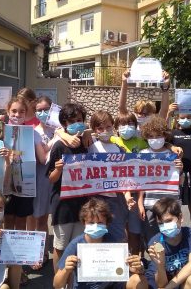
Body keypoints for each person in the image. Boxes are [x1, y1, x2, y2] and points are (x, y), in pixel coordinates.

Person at [54, 197, 148, 289]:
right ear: (84, 223)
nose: (95, 226)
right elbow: (57, 284)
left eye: (100, 223)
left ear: (107, 224)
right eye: (91, 223)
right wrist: (66, 270)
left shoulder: (115, 242)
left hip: (112, 285)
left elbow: (129, 269)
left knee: (139, 280)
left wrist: (138, 269)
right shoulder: (76, 245)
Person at [47, 103, 89, 272]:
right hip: (63, 204)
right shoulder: (59, 146)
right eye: (72, 121)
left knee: (79, 245)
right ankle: (59, 280)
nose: (77, 123)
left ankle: (73, 281)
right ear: (64, 124)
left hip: (82, 203)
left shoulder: (86, 143)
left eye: (79, 120)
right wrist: (58, 169)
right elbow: (51, 178)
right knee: (60, 246)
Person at [2, 97, 48, 232]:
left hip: (25, 184)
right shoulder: (0, 131)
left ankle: (20, 252)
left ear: (26, 113)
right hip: (5, 183)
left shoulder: (33, 133)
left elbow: (42, 159)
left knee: (21, 223)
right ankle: (7, 252)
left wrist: (55, 139)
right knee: (8, 221)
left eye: (21, 112)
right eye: (14, 111)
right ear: (7, 111)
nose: (17, 115)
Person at [138, 115, 183, 244]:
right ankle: (155, 262)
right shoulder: (142, 154)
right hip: (150, 203)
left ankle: (171, 260)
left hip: (170, 202)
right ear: (146, 137)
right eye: (151, 136)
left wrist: (180, 169)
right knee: (152, 237)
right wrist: (140, 203)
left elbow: (179, 180)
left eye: (158, 136)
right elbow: (140, 181)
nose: (155, 139)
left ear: (165, 135)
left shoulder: (173, 154)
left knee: (172, 234)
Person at [87, 110, 128, 243]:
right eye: (100, 128)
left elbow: (127, 173)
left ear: (113, 127)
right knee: (97, 232)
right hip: (96, 198)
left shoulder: (119, 149)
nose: (105, 130)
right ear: (94, 129)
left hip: (116, 199)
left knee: (117, 232)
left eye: (108, 127)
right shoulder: (90, 147)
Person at [146, 197, 191, 289]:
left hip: (179, 283)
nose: (165, 226)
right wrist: (160, 265)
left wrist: (169, 288)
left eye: (168, 221)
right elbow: (160, 285)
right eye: (161, 223)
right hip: (161, 283)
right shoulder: (155, 242)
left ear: (180, 217)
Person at [27, 96, 57, 269]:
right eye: (39, 110)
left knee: (57, 220)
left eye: (47, 109)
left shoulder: (61, 129)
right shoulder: (34, 132)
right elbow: (40, 158)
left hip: (60, 181)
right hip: (41, 179)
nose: (43, 113)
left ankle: (55, 252)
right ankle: (40, 253)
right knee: (40, 219)